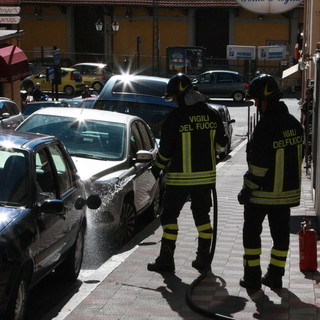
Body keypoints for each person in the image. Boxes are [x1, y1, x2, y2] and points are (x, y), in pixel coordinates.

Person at [147, 73, 228, 273]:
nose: (173, 100)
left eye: (173, 97)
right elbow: (222, 144)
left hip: (179, 179)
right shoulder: (211, 113)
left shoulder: (175, 117)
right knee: (202, 219)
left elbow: (165, 151)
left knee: (169, 218)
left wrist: (157, 168)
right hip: (205, 179)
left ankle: (166, 260)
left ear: (181, 95)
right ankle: (203, 259)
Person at [238, 74, 304, 289]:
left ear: (265, 99)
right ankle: (275, 276)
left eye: (257, 100)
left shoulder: (265, 127)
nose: (256, 105)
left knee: (251, 236)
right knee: (280, 238)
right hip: (286, 196)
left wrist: (246, 190)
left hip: (261, 195)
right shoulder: (295, 125)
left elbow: (258, 166)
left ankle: (252, 278)